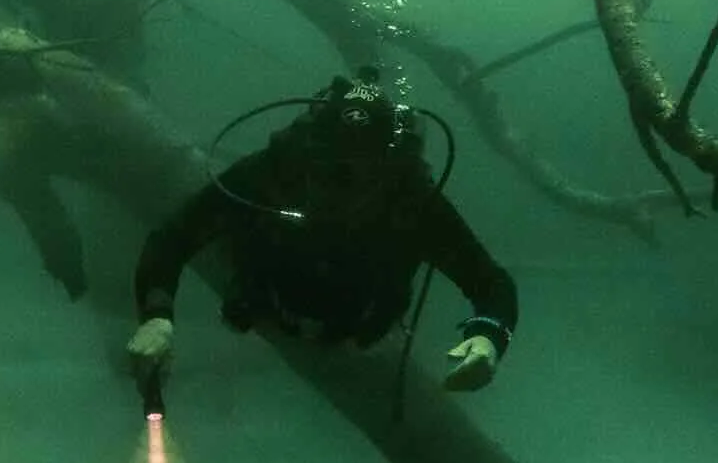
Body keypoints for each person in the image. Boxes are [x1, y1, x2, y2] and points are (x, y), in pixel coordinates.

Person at [126, 71, 515, 401]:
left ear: (387, 166)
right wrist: (156, 317)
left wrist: (488, 340)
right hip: (261, 305)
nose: (339, 185)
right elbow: (172, 237)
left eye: (357, 171)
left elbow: (490, 282)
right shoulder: (272, 172)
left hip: (361, 334)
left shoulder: (411, 202)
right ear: (309, 149)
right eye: (329, 166)